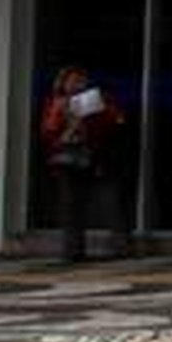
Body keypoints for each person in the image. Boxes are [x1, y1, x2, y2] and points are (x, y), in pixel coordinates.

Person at [35, 63, 124, 263]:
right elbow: (47, 131)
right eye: (73, 81)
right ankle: (72, 251)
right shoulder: (55, 102)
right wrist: (60, 116)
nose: (77, 84)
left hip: (93, 156)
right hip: (66, 158)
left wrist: (99, 111)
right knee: (70, 206)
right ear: (63, 83)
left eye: (81, 80)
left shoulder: (95, 99)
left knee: (108, 201)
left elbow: (115, 120)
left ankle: (119, 245)